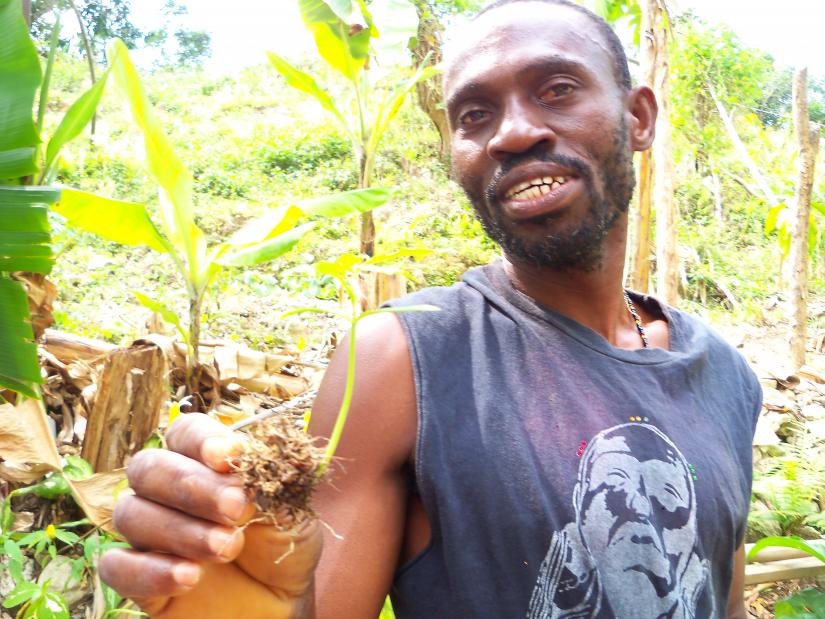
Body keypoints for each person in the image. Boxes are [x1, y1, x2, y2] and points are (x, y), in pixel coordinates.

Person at [99, 1, 762, 617]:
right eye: (473, 115)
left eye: (557, 89)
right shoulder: (403, 359)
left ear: (638, 117)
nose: (513, 132)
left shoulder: (725, 376)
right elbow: (298, 597)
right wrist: (241, 593)